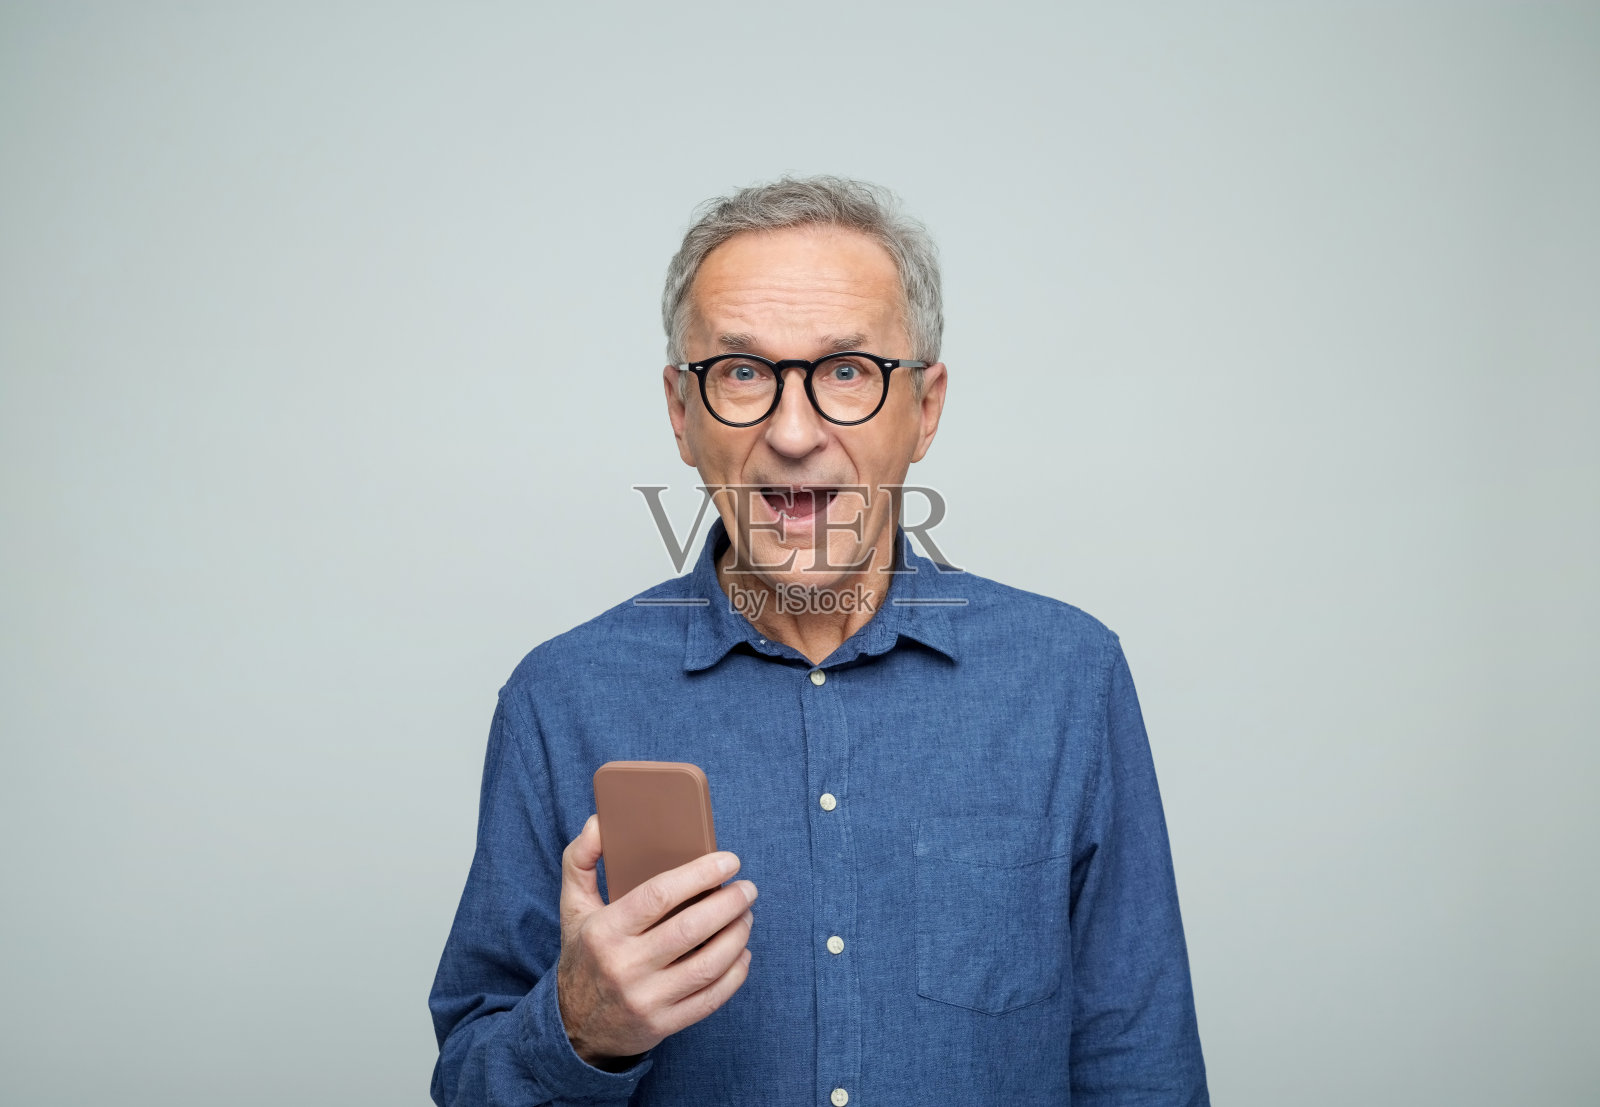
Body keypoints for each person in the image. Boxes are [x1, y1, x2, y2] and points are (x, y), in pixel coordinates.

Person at [429, 176, 1209, 1106]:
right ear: (682, 413)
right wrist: (581, 1026)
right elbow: (469, 1080)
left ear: (925, 408)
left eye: (846, 371)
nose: (793, 433)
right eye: (743, 373)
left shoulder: (1069, 679)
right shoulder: (560, 699)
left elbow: (1141, 1069)